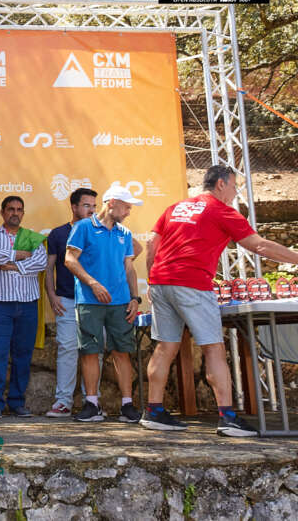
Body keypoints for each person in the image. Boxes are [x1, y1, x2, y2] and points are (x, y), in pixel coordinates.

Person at [142, 165, 298, 437]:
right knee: (214, 348)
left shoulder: (175, 208)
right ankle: (228, 417)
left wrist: (153, 279)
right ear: (221, 184)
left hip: (160, 282)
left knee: (165, 347)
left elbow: (151, 246)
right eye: (234, 186)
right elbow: (259, 245)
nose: (235, 192)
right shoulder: (222, 211)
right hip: (191, 283)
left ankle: (153, 411)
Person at [63, 186, 143, 424]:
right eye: (126, 207)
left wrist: (135, 298)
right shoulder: (83, 227)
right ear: (112, 203)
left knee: (122, 352)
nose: (128, 212)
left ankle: (127, 406)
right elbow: (69, 259)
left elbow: (129, 267)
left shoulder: (125, 233)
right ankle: (92, 404)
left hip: (120, 303)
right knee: (90, 352)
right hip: (89, 301)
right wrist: (93, 284)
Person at [0, 195, 48, 418]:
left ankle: (17, 402)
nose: (15, 213)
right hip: (0, 305)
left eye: (19, 210)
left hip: (28, 304)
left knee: (23, 355)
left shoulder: (31, 237)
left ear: (23, 213)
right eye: (11, 209)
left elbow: (41, 262)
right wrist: (19, 256)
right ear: (2, 212)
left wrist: (12, 266)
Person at [44, 188, 98, 418]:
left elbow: (129, 251)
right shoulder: (58, 234)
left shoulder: (101, 231)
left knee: (94, 352)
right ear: (74, 207)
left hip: (94, 302)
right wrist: (52, 295)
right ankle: (63, 401)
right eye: (86, 205)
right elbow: (49, 268)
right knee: (67, 349)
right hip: (66, 300)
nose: (92, 210)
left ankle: (92, 401)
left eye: (94, 206)